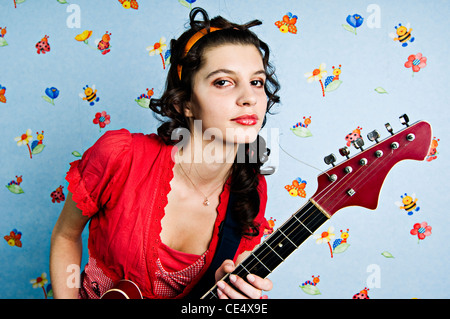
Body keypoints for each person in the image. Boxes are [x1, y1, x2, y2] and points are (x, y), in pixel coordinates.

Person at [50, 7, 280, 299]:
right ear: (185, 102)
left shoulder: (251, 189)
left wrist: (238, 300)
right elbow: (65, 236)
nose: (249, 98)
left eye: (256, 82)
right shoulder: (120, 155)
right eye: (223, 81)